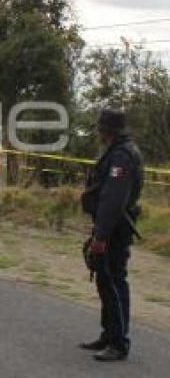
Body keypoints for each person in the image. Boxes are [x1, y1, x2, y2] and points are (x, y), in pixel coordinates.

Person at [79, 109, 143, 362]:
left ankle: (119, 342)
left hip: (115, 227)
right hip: (110, 225)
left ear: (108, 131)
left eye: (101, 128)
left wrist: (101, 236)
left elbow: (113, 200)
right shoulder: (117, 151)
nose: (99, 133)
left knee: (114, 281)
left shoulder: (122, 156)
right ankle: (108, 334)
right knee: (104, 280)